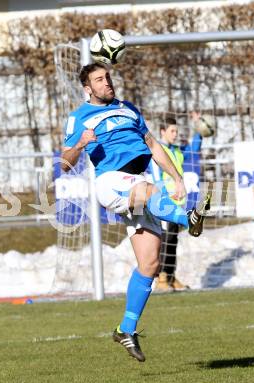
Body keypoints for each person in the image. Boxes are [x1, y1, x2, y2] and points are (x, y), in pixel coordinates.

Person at [61, 63, 204, 363]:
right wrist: (81, 143)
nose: (106, 82)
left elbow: (153, 145)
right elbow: (64, 162)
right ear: (88, 88)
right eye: (99, 80)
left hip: (138, 181)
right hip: (110, 181)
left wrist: (177, 178)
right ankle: (188, 217)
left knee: (150, 262)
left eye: (108, 77)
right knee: (149, 192)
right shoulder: (78, 117)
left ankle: (125, 329)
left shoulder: (128, 109)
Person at [148, 115, 204, 292]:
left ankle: (170, 277)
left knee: (172, 239)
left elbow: (194, 148)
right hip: (164, 203)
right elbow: (157, 177)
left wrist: (199, 128)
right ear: (163, 131)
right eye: (172, 131)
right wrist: (161, 199)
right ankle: (161, 279)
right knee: (165, 240)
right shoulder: (157, 151)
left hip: (177, 203)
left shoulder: (178, 151)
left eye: (177, 131)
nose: (175, 134)